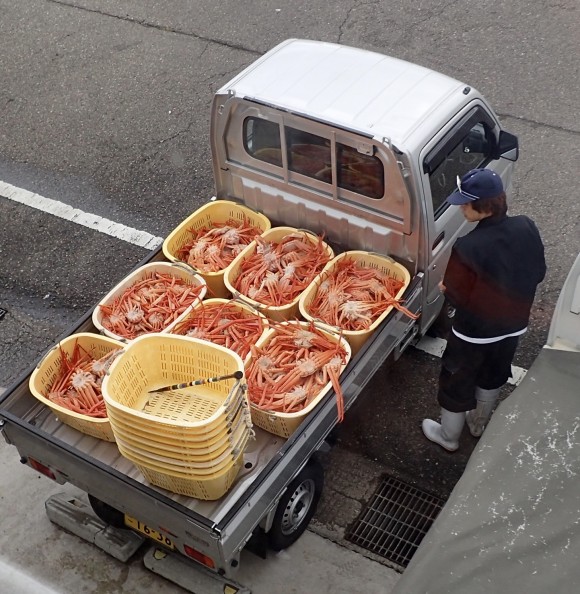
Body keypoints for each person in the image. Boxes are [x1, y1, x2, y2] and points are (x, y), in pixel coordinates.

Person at [422, 168, 546, 452]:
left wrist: (444, 287)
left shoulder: (468, 246)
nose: (461, 207)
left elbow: (456, 295)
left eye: (467, 202)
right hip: (513, 326)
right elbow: (538, 272)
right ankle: (478, 426)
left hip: (473, 335)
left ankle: (448, 437)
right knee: (494, 374)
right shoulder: (526, 226)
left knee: (457, 381)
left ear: (486, 205)